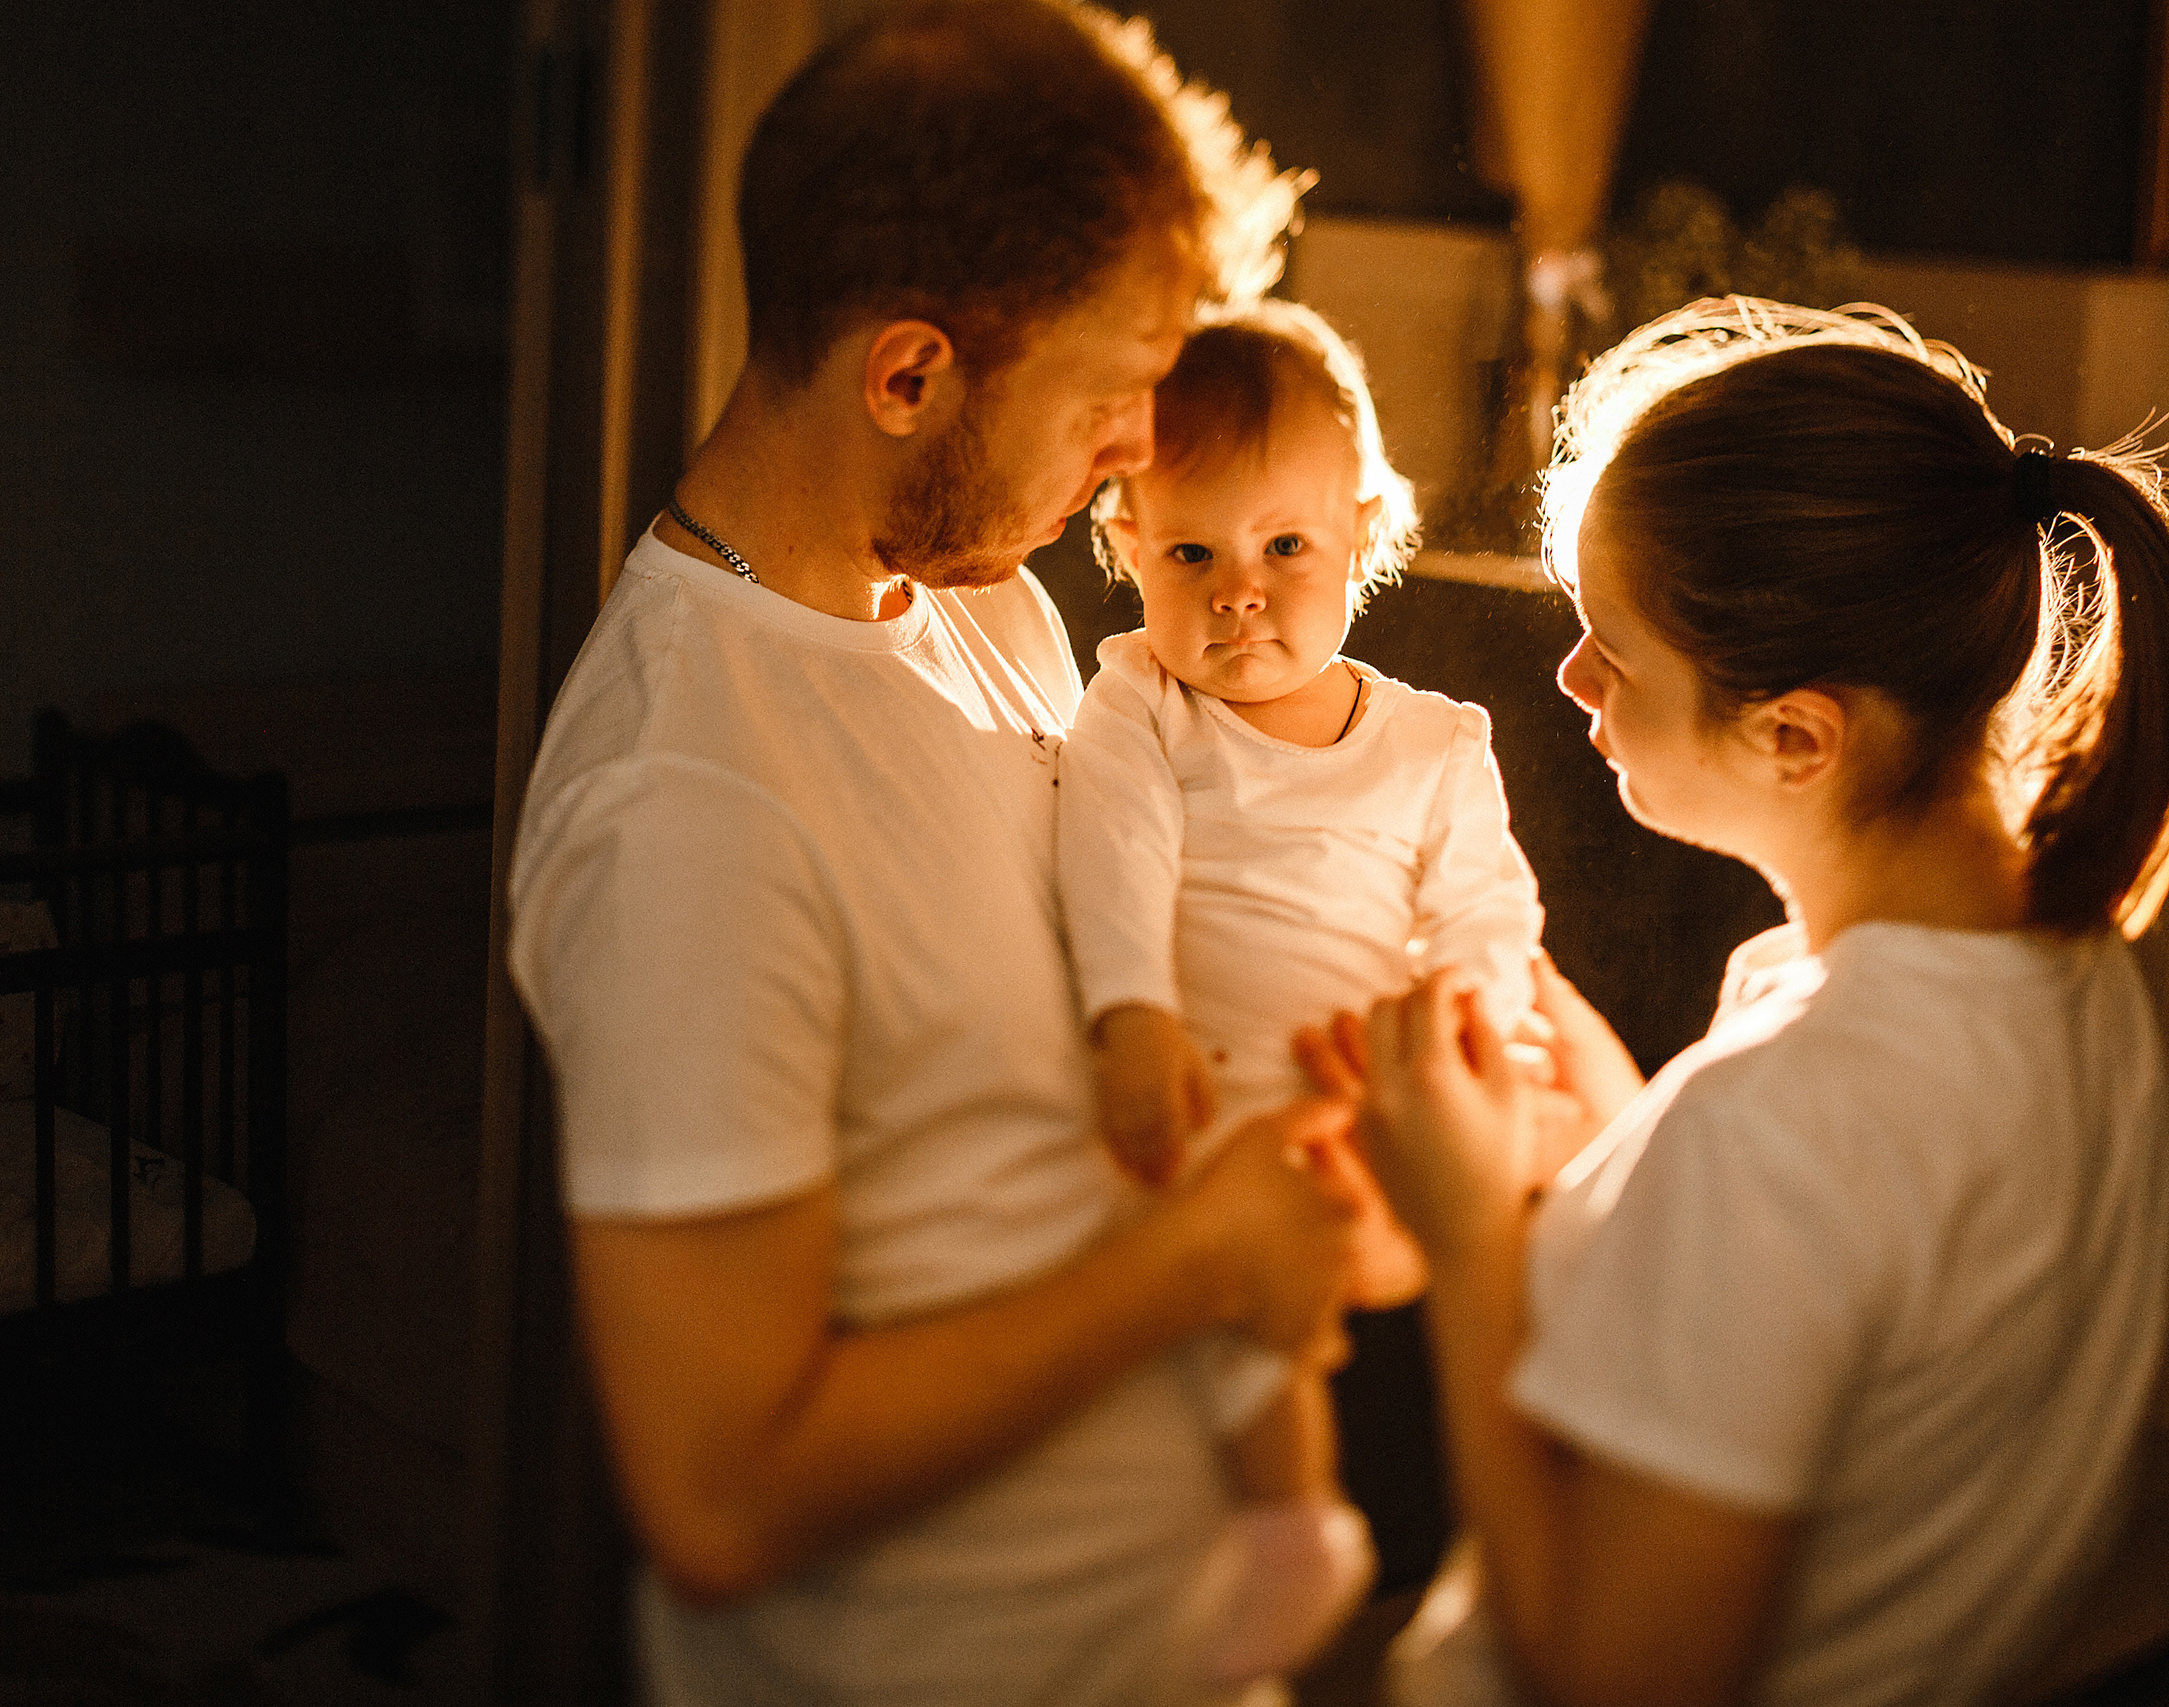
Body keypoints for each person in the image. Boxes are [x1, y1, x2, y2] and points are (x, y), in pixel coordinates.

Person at [505, 4, 1365, 1702]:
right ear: (909, 374)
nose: (1141, 452)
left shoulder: (986, 611)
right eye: (1116, 392)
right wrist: (1198, 1264)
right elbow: (723, 1496)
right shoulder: (688, 800)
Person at [1322, 299, 2169, 1707]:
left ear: (1795, 735)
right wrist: (1623, 1136)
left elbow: (1614, 1681)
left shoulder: (1778, 1129)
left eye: (1615, 649)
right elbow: (1847, 1314)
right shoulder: (2073, 983)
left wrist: (1474, 1244)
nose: (1572, 680)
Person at [1059, 298, 1543, 1683]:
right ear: (1125, 549)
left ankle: (1449, 1550)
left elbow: (1485, 904)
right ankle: (1285, 1528)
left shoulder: (1437, 746)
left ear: (1367, 534)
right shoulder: (1140, 705)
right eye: (1190, 553)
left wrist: (1461, 1019)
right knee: (1216, 1293)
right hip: (1205, 1079)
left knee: (1508, 1222)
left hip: (1375, 1088)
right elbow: (1112, 858)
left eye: (1286, 548)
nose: (1239, 592)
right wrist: (1129, 1012)